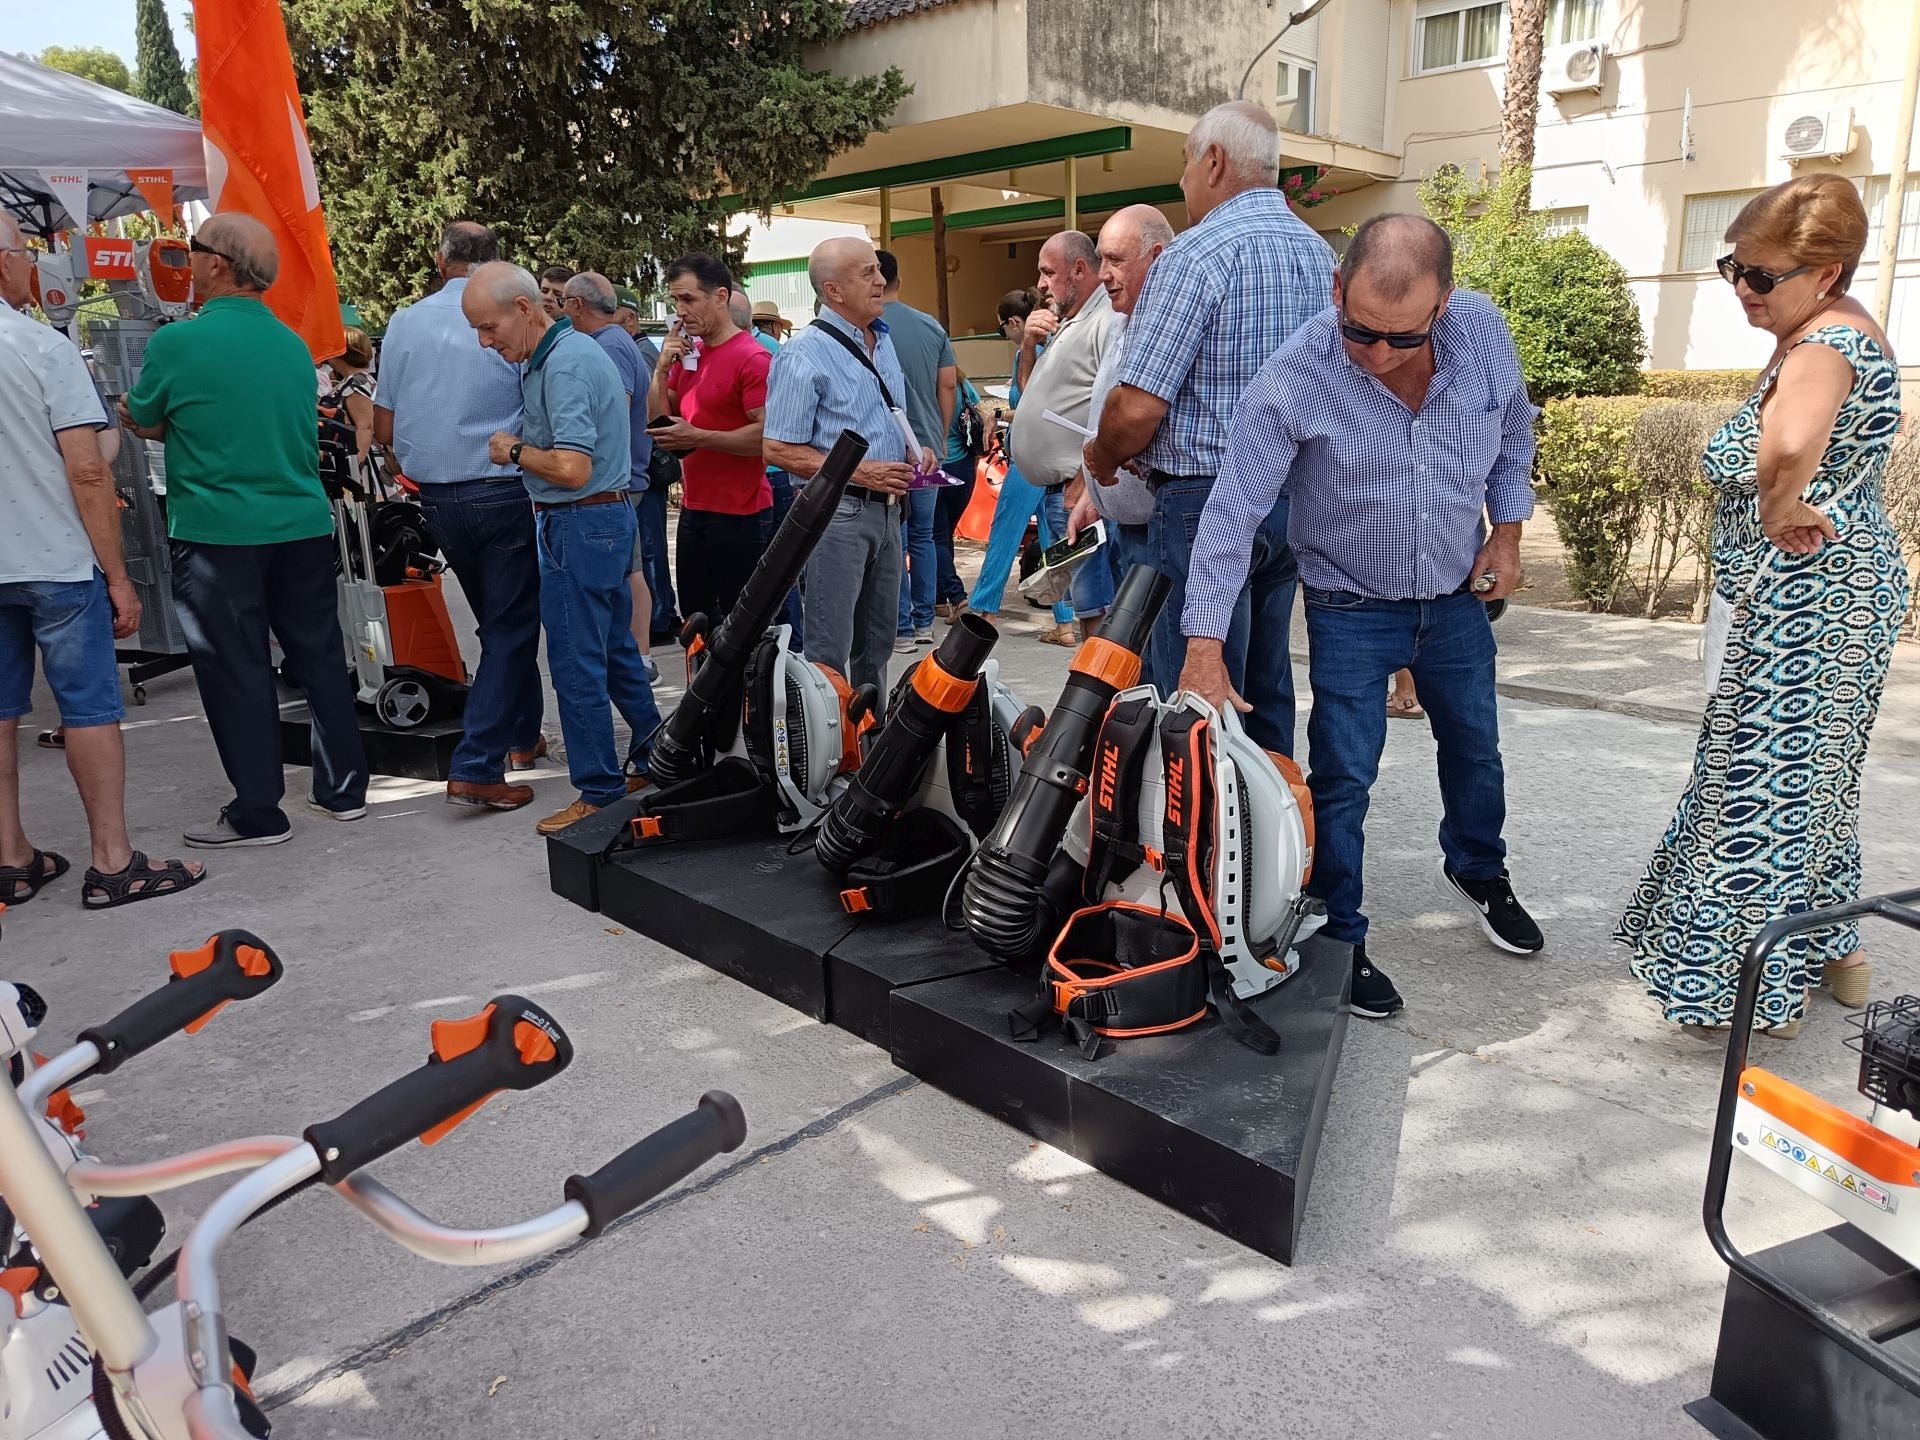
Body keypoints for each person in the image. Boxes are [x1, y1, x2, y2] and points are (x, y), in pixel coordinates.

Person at [1180, 213, 1544, 1021]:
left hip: (1454, 598)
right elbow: (1232, 513)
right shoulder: (1294, 376)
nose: (1377, 357)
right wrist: (1204, 645)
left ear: (1443, 306)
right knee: (1342, 779)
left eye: (1401, 339)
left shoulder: (1482, 331)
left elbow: (1515, 428)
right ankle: (1341, 934)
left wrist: (1509, 532)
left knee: (1477, 753)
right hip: (1349, 605)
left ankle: (1478, 868)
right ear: (1336, 291)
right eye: (1360, 332)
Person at [1617, 174, 1909, 1037]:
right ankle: (1839, 954)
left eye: (1762, 276)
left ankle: (1748, 996)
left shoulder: (1822, 347)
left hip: (1807, 598)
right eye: (1732, 269)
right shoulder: (1825, 328)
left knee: (1760, 787)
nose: (1743, 290)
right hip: (1840, 589)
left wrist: (1779, 507)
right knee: (1813, 781)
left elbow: (1787, 443)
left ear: (1827, 271)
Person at [1086, 100, 1332, 755]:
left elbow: (1137, 407)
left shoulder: (1195, 256)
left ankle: (1198, 849)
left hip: (1204, 504)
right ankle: (1276, 840)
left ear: (1216, 161)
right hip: (1290, 504)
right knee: (1266, 683)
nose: (1183, 182)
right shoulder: (1318, 257)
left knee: (1195, 695)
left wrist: (1103, 454)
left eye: (1187, 165)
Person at [120, 212, 369, 847]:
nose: (186, 261)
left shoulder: (180, 344)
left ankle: (259, 811)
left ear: (218, 264)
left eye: (192, 250)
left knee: (236, 668)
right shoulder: (291, 343)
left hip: (218, 533)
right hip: (301, 523)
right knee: (319, 655)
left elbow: (145, 417)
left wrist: (146, 418)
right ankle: (344, 791)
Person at [0, 212, 206, 907]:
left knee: (1, 713)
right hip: (55, 561)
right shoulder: (37, 347)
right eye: (29, 256)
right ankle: (113, 863)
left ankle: (12, 856)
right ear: (6, 264)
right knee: (88, 709)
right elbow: (90, 472)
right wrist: (119, 577)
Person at [461, 261, 662, 835]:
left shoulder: (567, 365)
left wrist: (513, 451)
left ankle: (599, 793)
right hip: (595, 522)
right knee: (618, 654)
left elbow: (573, 468)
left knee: (577, 668)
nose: (485, 341)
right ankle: (659, 759)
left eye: (488, 327)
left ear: (524, 309)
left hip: (580, 522)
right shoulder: (560, 356)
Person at [375, 220, 545, 813]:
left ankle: (521, 736)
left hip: (439, 494)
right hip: (503, 485)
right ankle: (479, 761)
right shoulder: (512, 317)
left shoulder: (405, 321)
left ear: (439, 258)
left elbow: (384, 424)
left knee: (500, 625)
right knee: (510, 627)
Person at [763, 236, 935, 706]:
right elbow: (777, 449)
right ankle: (831, 759)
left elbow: (884, 416)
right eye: (868, 273)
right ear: (834, 291)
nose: (882, 280)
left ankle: (869, 746)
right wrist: (866, 473)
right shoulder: (804, 353)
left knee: (877, 646)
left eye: (878, 270)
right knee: (828, 650)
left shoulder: (883, 341)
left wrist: (913, 451)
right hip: (836, 515)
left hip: (887, 513)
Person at [646, 255, 773, 631]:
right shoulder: (690, 354)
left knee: (739, 629)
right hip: (694, 507)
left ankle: (742, 691)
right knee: (696, 624)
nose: (680, 311)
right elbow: (659, 421)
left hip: (742, 512)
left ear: (720, 296)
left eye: (688, 300)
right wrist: (659, 371)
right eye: (675, 302)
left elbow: (766, 437)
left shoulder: (752, 357)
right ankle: (704, 690)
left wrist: (699, 436)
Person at [1008, 229, 1120, 643]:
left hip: (1078, 492)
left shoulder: (1105, 319)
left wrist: (1083, 482)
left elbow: (1112, 407)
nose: (1039, 284)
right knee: (1086, 605)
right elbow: (1029, 395)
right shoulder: (1068, 323)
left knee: (1098, 610)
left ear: (1077, 270)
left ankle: (1102, 699)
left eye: (1047, 272)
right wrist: (1029, 347)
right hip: (1059, 492)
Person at [1073, 204, 1174, 602]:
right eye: (1101, 259)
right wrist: (1091, 494)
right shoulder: (1121, 319)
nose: (1102, 275)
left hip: (1160, 527)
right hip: (1125, 522)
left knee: (1156, 657)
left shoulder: (1169, 324)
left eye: (1114, 260)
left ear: (1157, 257)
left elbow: (1145, 416)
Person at [566, 271, 661, 681]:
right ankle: (634, 656)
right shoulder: (611, 341)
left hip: (619, 480)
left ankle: (637, 656)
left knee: (630, 570)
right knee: (630, 568)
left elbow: (615, 413)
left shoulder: (609, 345)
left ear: (577, 305)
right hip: (621, 477)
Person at [967, 289, 1077, 641]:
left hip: (1030, 458)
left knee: (1005, 533)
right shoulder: (1055, 350)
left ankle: (984, 610)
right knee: (1051, 540)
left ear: (1014, 322)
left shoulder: (1027, 355)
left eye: (1002, 329)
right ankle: (1064, 621)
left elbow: (1029, 405)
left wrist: (996, 415)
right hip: (1053, 458)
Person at [875, 251, 958, 651]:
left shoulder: (868, 327)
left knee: (896, 538)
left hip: (885, 451)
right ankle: (925, 621)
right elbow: (948, 387)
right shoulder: (930, 326)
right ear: (899, 280)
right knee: (923, 535)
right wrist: (938, 439)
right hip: (927, 447)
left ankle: (902, 627)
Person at [616, 284, 681, 643]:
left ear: (627, 319)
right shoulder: (637, 349)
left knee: (650, 549)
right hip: (645, 467)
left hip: (645, 468)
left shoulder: (636, 352)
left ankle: (659, 618)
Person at [744, 296, 805, 637]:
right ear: (776, 326)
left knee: (775, 566)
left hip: (769, 469)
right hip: (777, 472)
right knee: (784, 565)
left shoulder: (758, 350)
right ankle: (791, 638)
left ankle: (787, 638)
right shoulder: (774, 348)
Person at [932, 368, 986, 622]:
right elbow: (981, 417)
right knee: (945, 536)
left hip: (937, 468)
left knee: (934, 538)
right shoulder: (963, 384)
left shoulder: (926, 387)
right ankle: (939, 600)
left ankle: (957, 597)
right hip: (964, 467)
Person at [318, 326, 376, 469]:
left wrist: (355, 468)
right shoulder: (358, 380)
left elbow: (365, 427)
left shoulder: (355, 383)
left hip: (359, 467)